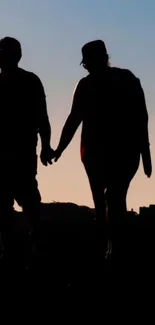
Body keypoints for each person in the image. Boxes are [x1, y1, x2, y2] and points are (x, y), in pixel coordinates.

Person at [54, 40, 152, 253]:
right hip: (114, 154)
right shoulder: (125, 79)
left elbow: (73, 120)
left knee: (107, 200)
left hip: (105, 154)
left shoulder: (92, 85)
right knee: (112, 200)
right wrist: (146, 154)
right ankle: (112, 249)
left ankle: (110, 250)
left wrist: (59, 149)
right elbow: (141, 117)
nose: (87, 67)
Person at [0, 37, 54, 263]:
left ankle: (19, 254)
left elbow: (42, 117)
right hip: (19, 154)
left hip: (15, 154)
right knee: (26, 204)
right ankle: (30, 252)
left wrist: (45, 146)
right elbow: (43, 118)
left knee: (17, 205)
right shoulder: (31, 81)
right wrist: (46, 146)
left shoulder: (27, 81)